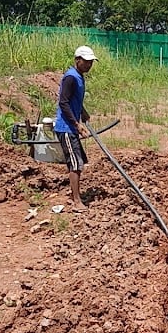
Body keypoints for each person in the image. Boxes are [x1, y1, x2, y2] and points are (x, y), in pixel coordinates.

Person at [54, 45, 97, 212]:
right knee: (75, 164)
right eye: (86, 62)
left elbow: (74, 99)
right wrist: (76, 124)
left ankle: (75, 194)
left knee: (78, 162)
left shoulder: (79, 76)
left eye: (91, 62)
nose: (89, 65)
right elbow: (63, 102)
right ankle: (77, 201)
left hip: (71, 127)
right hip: (66, 128)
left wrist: (83, 112)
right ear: (77, 60)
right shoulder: (70, 78)